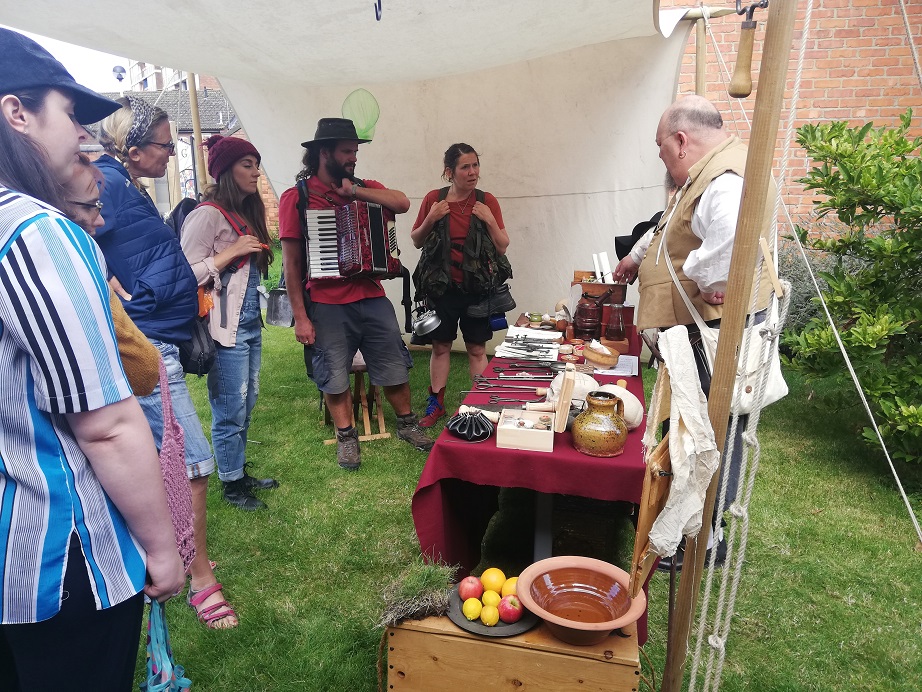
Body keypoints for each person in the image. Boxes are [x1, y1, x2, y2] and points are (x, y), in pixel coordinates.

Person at [0, 28, 184, 689]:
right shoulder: (35, 230)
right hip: (58, 562)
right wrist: (164, 550)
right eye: (70, 112)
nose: (83, 133)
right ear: (16, 113)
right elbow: (105, 424)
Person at [96, 97, 247, 628]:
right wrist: (119, 294)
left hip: (160, 338)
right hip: (149, 344)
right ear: (134, 150)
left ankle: (175, 553)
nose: (171, 154)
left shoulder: (122, 184)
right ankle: (199, 578)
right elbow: (79, 237)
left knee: (170, 460)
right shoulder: (108, 184)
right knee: (194, 463)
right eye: (165, 145)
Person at [634, 95, 775, 571]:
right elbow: (670, 231)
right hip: (700, 327)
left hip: (716, 330)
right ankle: (686, 520)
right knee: (695, 429)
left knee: (711, 433)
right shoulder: (710, 172)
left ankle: (702, 537)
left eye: (660, 148)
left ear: (681, 140)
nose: (660, 158)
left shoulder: (726, 177)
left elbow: (731, 241)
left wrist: (710, 278)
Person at [278, 118, 433, 471]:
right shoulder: (298, 198)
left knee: (394, 360)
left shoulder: (366, 186)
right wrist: (301, 317)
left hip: (372, 295)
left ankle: (408, 426)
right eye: (347, 151)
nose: (353, 158)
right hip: (327, 302)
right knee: (334, 372)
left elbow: (401, 203)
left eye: (355, 152)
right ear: (324, 152)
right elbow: (291, 265)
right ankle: (347, 438)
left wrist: (356, 193)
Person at [181, 135, 278, 510]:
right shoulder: (206, 215)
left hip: (249, 325)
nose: (256, 172)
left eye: (256, 164)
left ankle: (236, 471)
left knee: (246, 401)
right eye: (246, 165)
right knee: (229, 407)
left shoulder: (244, 212)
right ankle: (232, 485)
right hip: (223, 331)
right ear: (225, 171)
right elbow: (184, 274)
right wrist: (232, 252)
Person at [410, 143, 510, 427]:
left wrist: (490, 219)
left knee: (477, 349)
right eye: (465, 167)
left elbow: (502, 247)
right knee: (440, 346)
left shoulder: (487, 201)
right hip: (442, 290)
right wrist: (432, 217)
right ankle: (436, 404)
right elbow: (417, 240)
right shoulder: (433, 199)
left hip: (477, 290)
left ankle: (480, 405)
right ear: (449, 172)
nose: (472, 172)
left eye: (475, 165)